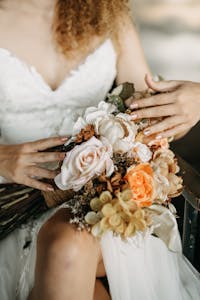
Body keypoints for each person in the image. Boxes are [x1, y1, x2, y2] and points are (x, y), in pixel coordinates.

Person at [0, 1, 199, 300]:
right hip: (13, 209)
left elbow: (148, 113)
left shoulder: (107, 10)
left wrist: (192, 104)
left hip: (105, 205)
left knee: (67, 244)